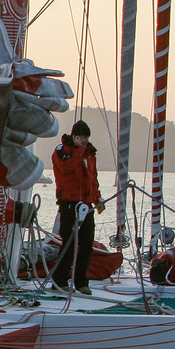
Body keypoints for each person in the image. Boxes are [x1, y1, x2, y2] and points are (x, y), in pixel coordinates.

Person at [50, 119, 103, 294]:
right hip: (69, 206)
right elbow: (66, 169)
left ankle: (81, 282)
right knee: (69, 244)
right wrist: (78, 150)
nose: (84, 141)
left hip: (86, 206)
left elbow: (92, 180)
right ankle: (59, 280)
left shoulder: (90, 154)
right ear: (74, 137)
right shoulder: (62, 153)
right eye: (81, 138)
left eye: (86, 138)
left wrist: (97, 199)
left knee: (87, 244)